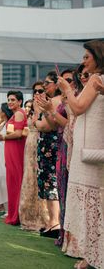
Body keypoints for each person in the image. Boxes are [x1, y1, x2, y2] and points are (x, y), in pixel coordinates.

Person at [59, 40, 104, 269]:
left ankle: (94, 257)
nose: (83, 60)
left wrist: (66, 89)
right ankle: (93, 255)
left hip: (92, 151)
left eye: (87, 56)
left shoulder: (96, 79)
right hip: (94, 147)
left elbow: (77, 108)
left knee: (92, 206)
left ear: (98, 56)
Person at [0, 91, 27, 225]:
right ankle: (12, 212)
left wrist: (1, 137)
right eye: (9, 100)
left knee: (15, 181)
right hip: (10, 150)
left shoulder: (19, 113)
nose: (10, 102)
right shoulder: (15, 115)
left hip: (15, 150)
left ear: (20, 101)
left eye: (13, 100)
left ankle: (15, 214)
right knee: (11, 181)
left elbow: (18, 134)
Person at [34, 71, 63, 238]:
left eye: (47, 83)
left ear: (56, 85)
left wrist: (36, 119)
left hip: (52, 145)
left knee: (51, 184)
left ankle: (54, 223)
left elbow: (47, 126)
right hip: (46, 145)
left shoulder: (55, 101)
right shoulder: (50, 101)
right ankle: (51, 222)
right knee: (46, 183)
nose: (44, 87)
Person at [18, 82, 48, 231]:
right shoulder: (31, 109)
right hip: (29, 146)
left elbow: (44, 126)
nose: (37, 93)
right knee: (29, 177)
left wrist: (38, 111)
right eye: (34, 90)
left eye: (40, 90)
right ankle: (28, 216)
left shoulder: (46, 108)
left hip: (40, 143)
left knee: (38, 179)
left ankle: (43, 218)